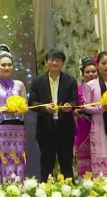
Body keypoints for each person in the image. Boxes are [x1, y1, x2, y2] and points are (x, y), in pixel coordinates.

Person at [29, 49, 79, 180]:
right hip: (45, 129)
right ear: (46, 62)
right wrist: (44, 108)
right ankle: (45, 190)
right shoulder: (37, 81)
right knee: (46, 164)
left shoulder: (70, 81)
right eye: (51, 60)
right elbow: (32, 102)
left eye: (58, 60)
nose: (54, 63)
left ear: (63, 63)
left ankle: (69, 190)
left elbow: (75, 101)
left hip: (65, 128)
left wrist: (69, 106)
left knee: (66, 163)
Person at [0, 45, 27, 182]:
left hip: (18, 128)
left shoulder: (19, 84)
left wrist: (19, 108)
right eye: (3, 65)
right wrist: (3, 110)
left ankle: (20, 188)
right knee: (3, 159)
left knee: (19, 158)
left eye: (9, 64)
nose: (7, 67)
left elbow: (26, 106)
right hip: (1, 128)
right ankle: (4, 189)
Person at [74, 57, 98, 177]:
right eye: (87, 72)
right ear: (82, 74)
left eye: (93, 71)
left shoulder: (102, 87)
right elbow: (72, 106)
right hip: (82, 127)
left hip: (99, 127)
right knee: (84, 160)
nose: (91, 74)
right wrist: (75, 111)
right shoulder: (77, 89)